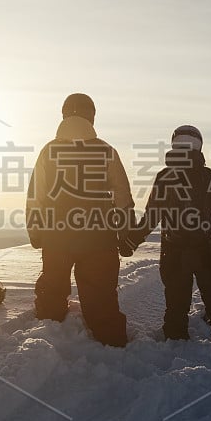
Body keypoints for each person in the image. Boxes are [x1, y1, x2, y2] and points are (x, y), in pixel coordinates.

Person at [26, 93, 135, 347]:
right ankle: (112, 347)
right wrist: (124, 230)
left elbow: (36, 196)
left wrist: (35, 230)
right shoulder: (106, 151)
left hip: (56, 235)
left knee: (52, 289)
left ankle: (47, 341)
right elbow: (122, 195)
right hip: (99, 237)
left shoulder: (48, 151)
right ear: (92, 117)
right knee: (100, 296)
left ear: (63, 115)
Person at [123, 125, 211, 342]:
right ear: (199, 145)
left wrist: (132, 240)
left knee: (176, 303)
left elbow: (151, 216)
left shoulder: (165, 177)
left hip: (174, 252)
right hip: (208, 250)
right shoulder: (209, 177)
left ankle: (175, 342)